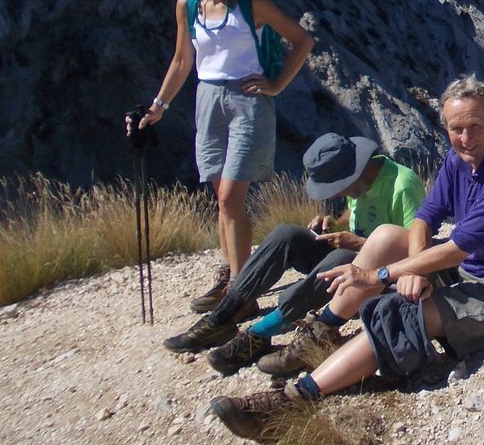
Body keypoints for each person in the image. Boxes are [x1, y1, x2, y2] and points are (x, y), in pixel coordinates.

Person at [208, 75, 484, 444]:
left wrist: (381, 275)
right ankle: (321, 333)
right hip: (468, 270)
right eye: (456, 129)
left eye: (475, 127)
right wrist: (415, 269)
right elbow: (425, 217)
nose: (466, 139)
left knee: (399, 314)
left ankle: (292, 400)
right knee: (388, 234)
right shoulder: (458, 160)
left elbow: (459, 247)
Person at [138, 0, 314, 312]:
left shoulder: (253, 4)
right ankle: (231, 275)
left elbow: (302, 40)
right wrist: (159, 105)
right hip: (207, 99)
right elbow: (183, 60)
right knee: (223, 200)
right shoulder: (187, 6)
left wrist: (276, 85)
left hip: (248, 102)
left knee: (230, 197)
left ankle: (240, 290)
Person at [161, 133, 426, 376]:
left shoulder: (402, 185)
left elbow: (412, 247)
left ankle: (261, 333)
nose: (335, 192)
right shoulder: (360, 183)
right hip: (353, 254)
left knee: (339, 260)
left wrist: (358, 244)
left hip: (378, 276)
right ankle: (225, 314)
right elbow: (355, 215)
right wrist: (333, 224)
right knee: (286, 234)